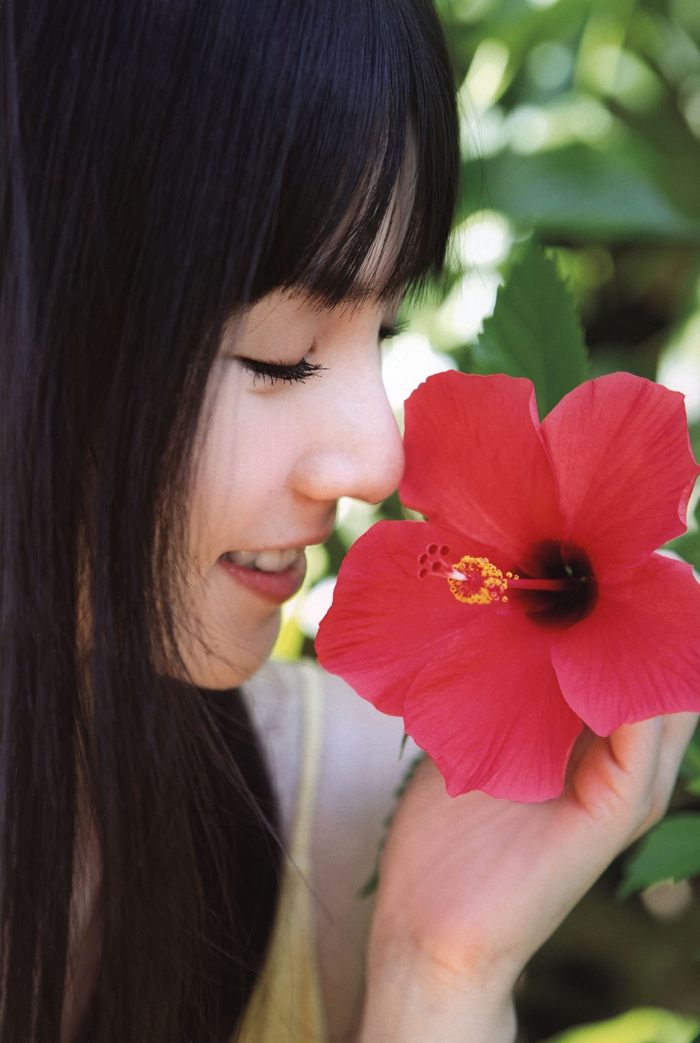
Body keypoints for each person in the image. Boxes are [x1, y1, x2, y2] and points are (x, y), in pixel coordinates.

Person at [1, 0, 696, 1040]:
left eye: (383, 324)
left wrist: (437, 979)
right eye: (279, 351)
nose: (381, 457)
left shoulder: (347, 815)